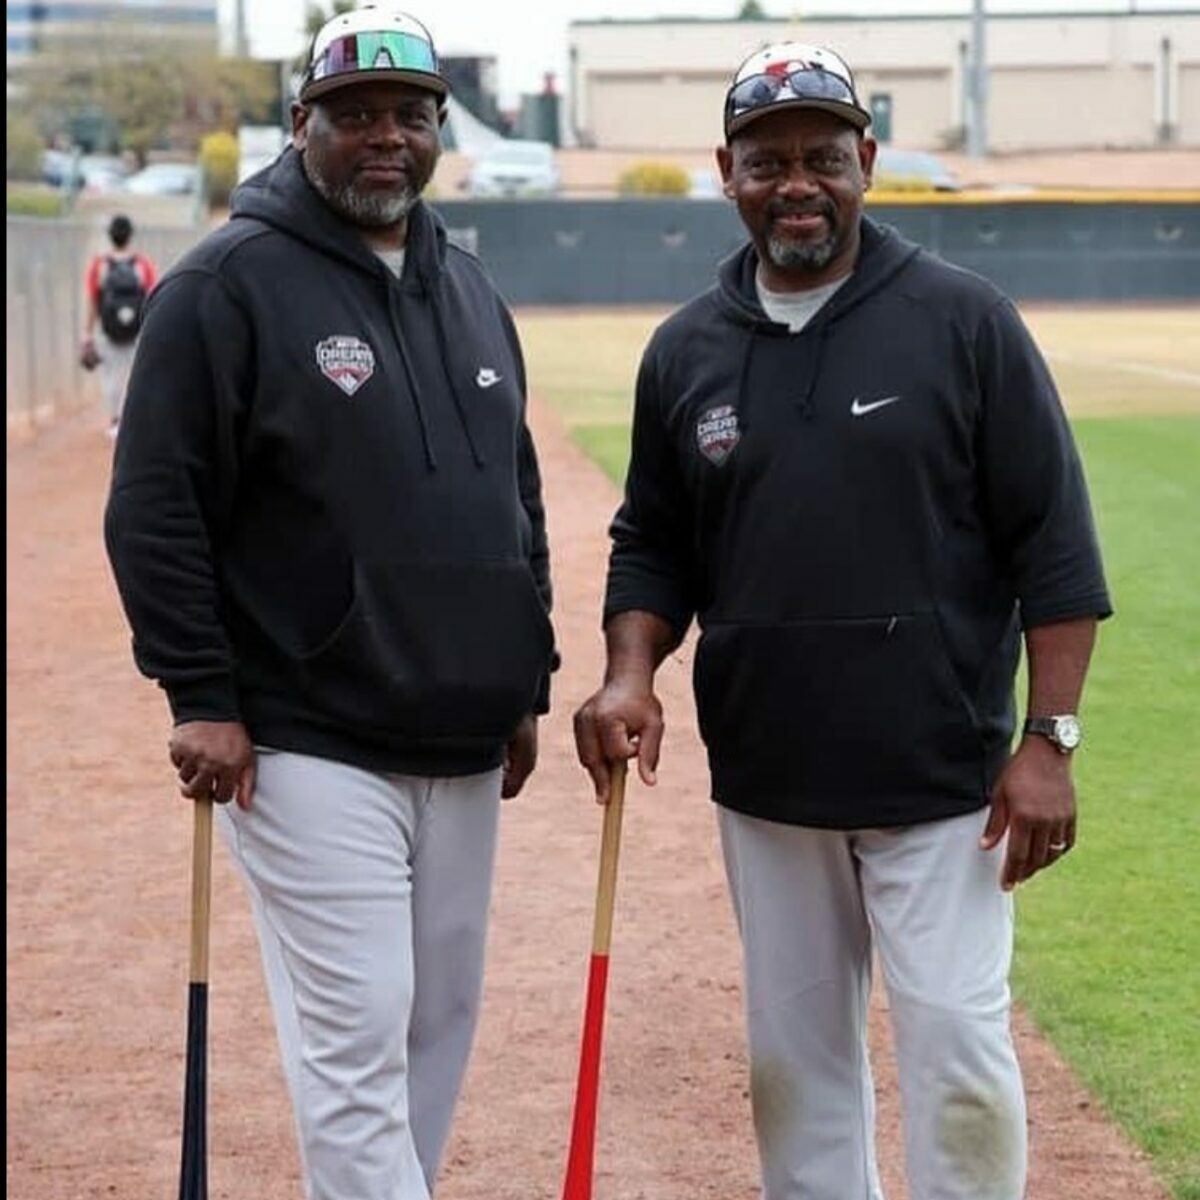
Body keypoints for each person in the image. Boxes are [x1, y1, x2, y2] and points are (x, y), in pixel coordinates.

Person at [573, 41, 1111, 1200]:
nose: (798, 182)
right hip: (770, 782)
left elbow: (1056, 548)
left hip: (942, 787)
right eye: (769, 160)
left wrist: (1049, 742)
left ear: (868, 161)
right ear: (727, 171)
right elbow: (654, 544)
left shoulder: (966, 322)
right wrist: (631, 674)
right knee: (798, 1068)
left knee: (958, 1054)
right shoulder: (685, 352)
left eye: (824, 154)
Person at [104, 8, 557, 1198]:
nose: (385, 139)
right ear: (302, 124)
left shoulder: (467, 287)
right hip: (306, 734)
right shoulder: (224, 286)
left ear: (439, 131)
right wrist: (200, 693)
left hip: (461, 734)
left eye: (410, 116)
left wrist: (526, 684)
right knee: (358, 1032)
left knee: (434, 1032)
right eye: (355, 115)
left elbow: (515, 495)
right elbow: (155, 504)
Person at [80, 213, 158, 437]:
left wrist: (87, 333)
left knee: (111, 378)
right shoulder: (142, 264)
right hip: (137, 331)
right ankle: (134, 422)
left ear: (110, 236)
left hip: (109, 331)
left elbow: (93, 300)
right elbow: (153, 297)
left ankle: (115, 421)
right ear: (130, 236)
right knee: (135, 376)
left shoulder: (100, 265)